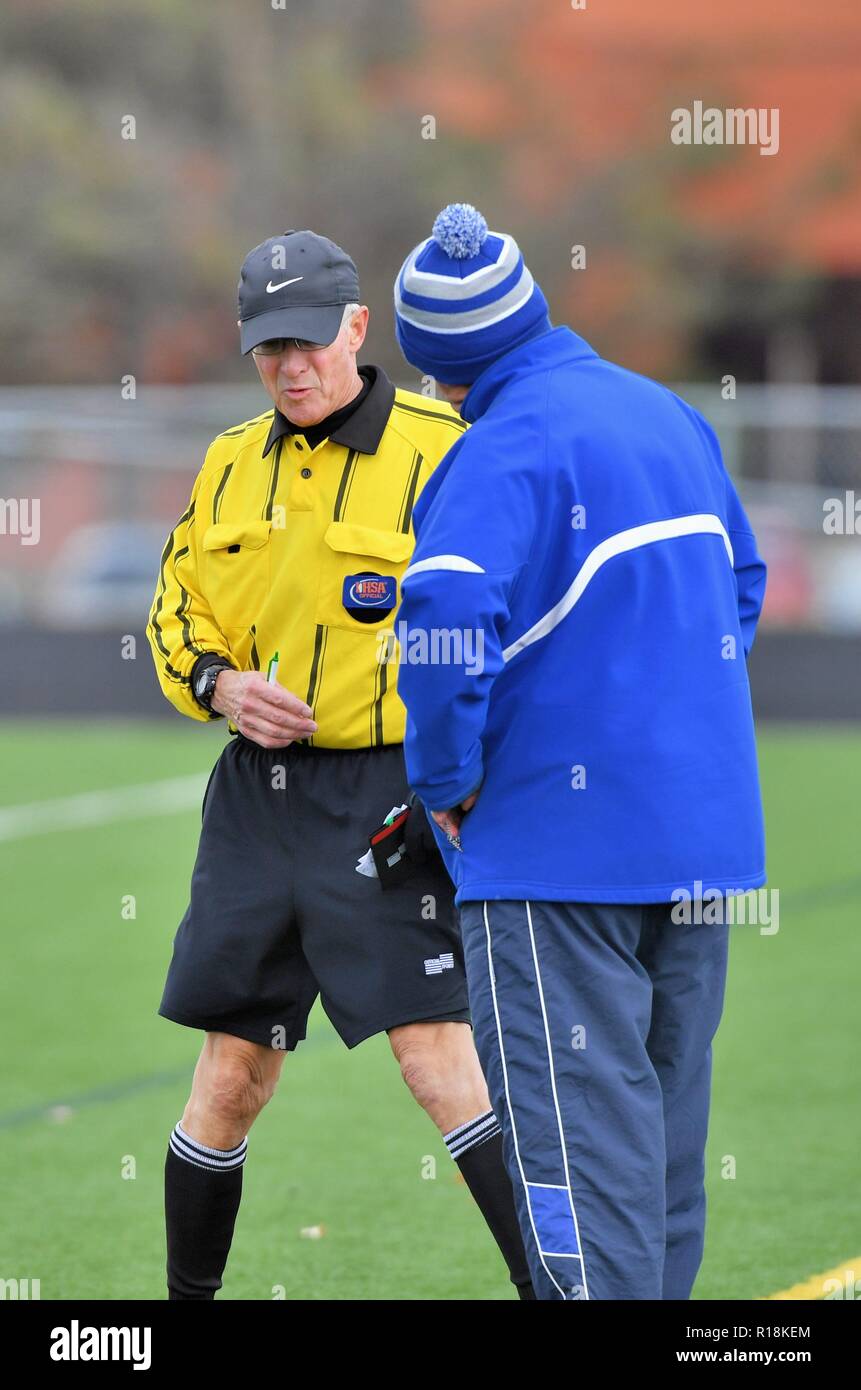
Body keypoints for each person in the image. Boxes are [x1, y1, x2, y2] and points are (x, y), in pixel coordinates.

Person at [146, 228, 533, 1300]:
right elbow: (176, 615)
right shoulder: (228, 461)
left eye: (311, 342)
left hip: (393, 794)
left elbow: (505, 618)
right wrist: (223, 686)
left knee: (438, 1062)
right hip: (257, 807)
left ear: (358, 329)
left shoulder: (444, 446)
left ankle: (557, 1293)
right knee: (230, 1078)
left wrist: (462, 777)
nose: (292, 367)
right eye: (270, 348)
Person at [392, 203, 768, 1300]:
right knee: (656, 1165)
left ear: (440, 370)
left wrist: (444, 781)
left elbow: (445, 615)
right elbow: (738, 586)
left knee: (578, 1178)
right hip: (702, 847)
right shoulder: (669, 417)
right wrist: (660, 709)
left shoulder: (500, 445)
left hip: (557, 862)